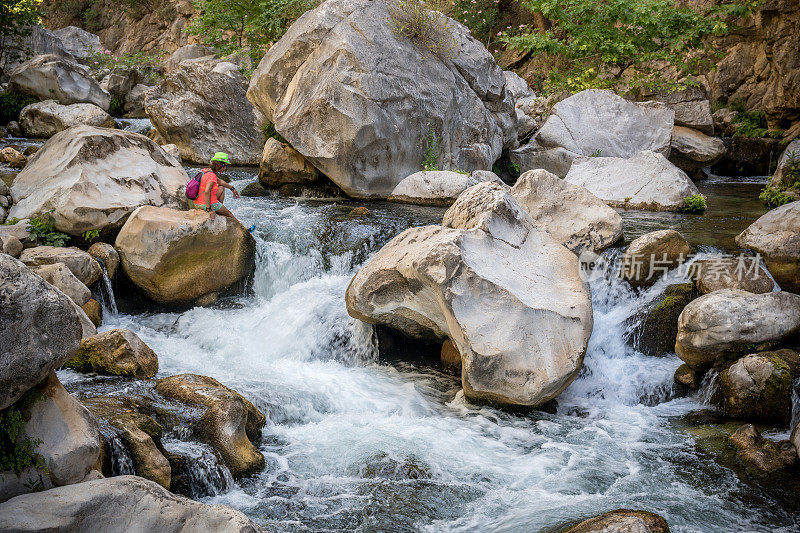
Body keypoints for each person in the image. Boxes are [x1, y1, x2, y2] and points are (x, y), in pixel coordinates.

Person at [191, 152, 254, 231]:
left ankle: (219, 211)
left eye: (226, 166)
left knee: (221, 187)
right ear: (218, 164)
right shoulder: (212, 176)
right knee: (230, 214)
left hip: (198, 200)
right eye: (224, 165)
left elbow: (219, 181)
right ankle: (244, 230)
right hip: (205, 203)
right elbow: (207, 191)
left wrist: (231, 188)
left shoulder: (206, 171)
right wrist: (208, 209)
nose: (225, 168)